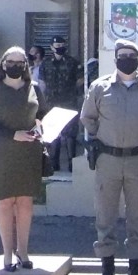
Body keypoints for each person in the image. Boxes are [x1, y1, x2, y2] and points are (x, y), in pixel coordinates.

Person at [80, 39, 138, 275]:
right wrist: (104, 136)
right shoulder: (99, 87)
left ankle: (135, 271)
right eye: (122, 55)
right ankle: (107, 272)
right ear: (115, 59)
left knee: (137, 216)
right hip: (108, 159)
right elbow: (88, 118)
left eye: (131, 55)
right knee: (105, 215)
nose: (127, 59)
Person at [0, 46, 46, 272]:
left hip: (29, 151)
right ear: (3, 64)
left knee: (25, 201)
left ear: (26, 65)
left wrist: (41, 127)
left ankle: (23, 251)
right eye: (11, 62)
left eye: (20, 62)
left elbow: (42, 114)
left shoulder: (34, 88)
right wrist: (12, 134)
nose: (15, 66)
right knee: (5, 201)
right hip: (4, 150)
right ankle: (7, 253)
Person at [42, 35, 82, 172]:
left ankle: (72, 163)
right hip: (51, 103)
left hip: (68, 102)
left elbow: (80, 80)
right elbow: (42, 83)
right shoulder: (46, 63)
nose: (60, 48)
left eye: (62, 45)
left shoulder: (73, 62)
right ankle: (54, 163)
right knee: (54, 134)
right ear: (51, 47)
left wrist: (70, 91)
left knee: (70, 133)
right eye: (57, 46)